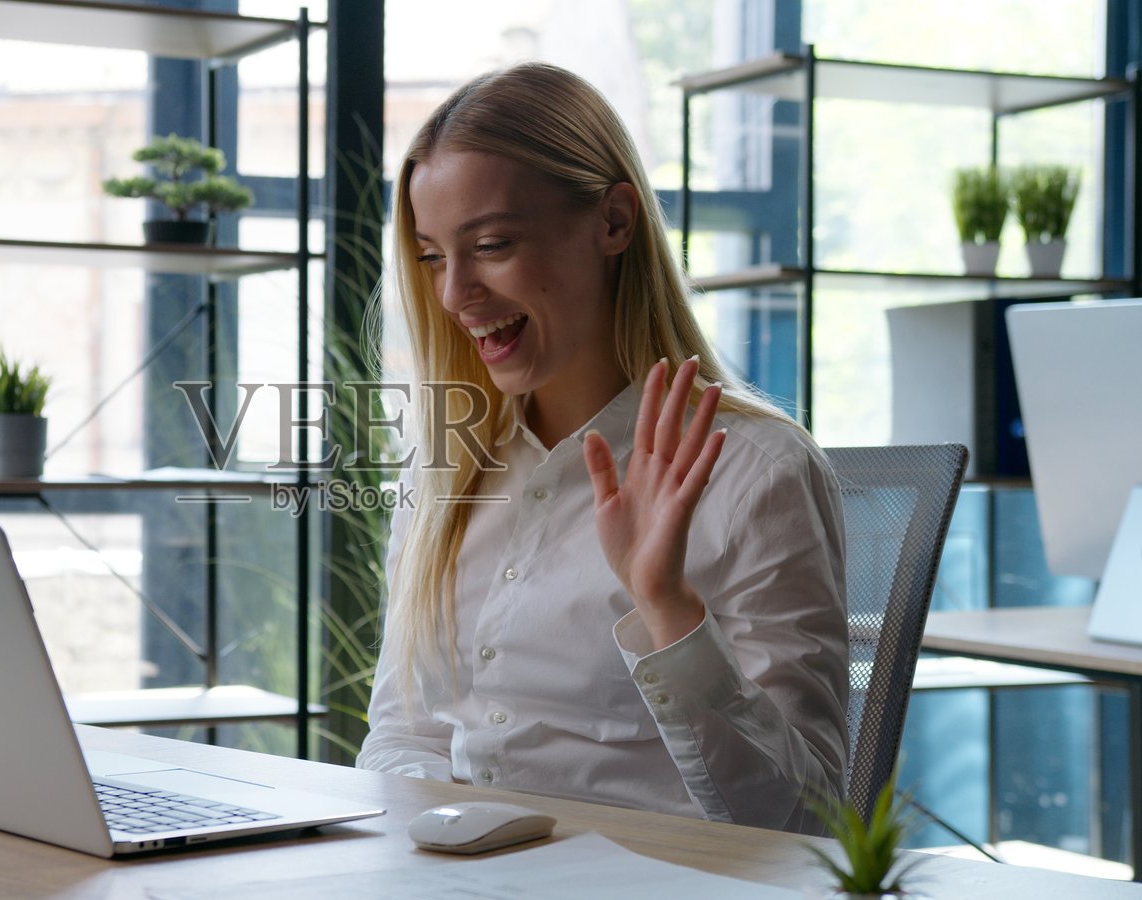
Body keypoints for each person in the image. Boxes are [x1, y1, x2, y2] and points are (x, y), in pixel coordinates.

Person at [355, 62, 849, 835]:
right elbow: (405, 733)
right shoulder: (447, 465)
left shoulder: (757, 473)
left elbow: (807, 816)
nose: (454, 295)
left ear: (615, 222)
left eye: (491, 244)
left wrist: (668, 610)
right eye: (430, 256)